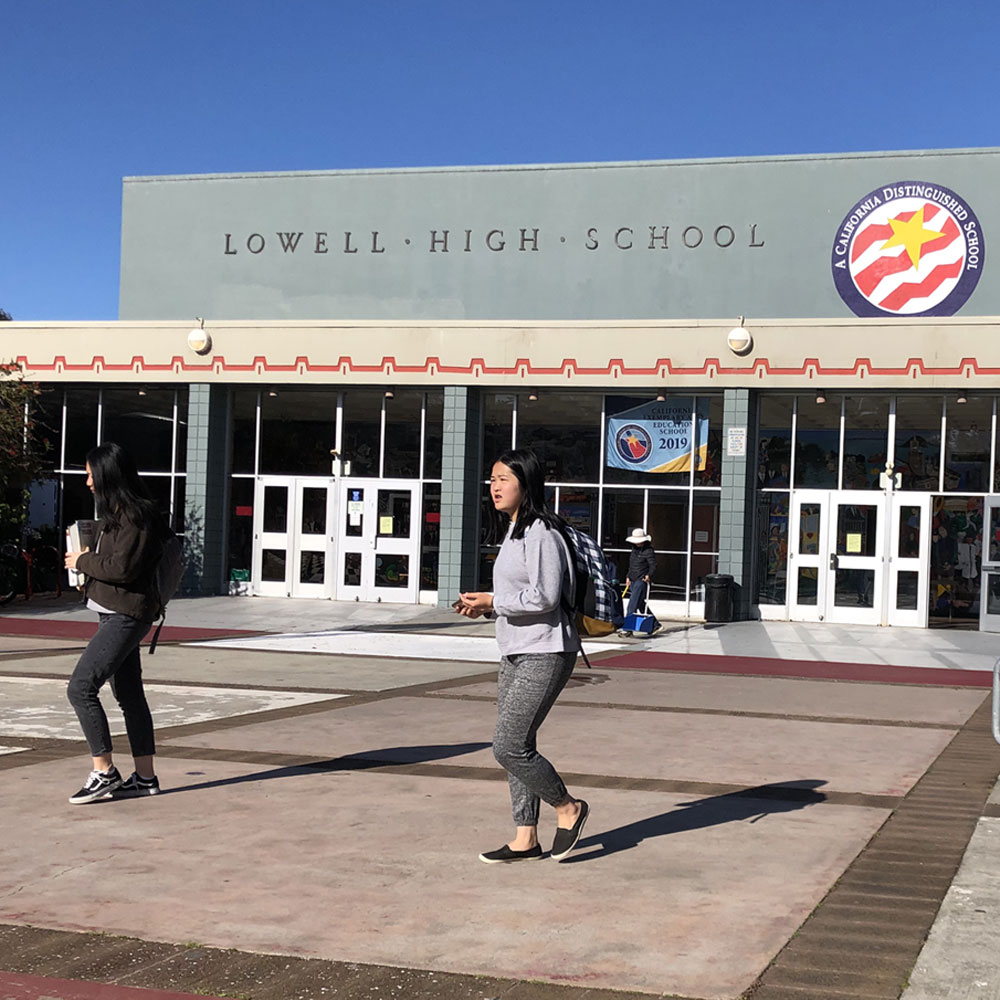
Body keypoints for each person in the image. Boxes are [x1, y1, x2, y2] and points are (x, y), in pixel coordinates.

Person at [455, 448, 589, 864]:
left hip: (546, 650)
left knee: (508, 745)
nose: (494, 487)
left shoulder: (541, 534)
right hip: (515, 649)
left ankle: (568, 808)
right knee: (520, 742)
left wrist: (495, 599)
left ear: (525, 485)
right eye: (492, 479)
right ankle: (525, 836)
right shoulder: (514, 532)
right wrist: (487, 606)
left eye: (503, 480)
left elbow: (545, 597)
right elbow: (520, 598)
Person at [63, 442, 169, 804]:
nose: (88, 482)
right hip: (115, 612)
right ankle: (145, 778)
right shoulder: (118, 514)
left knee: (80, 688)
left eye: (91, 475)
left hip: (125, 615)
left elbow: (121, 569)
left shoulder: (135, 517)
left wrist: (82, 561)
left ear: (108, 474)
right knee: (129, 695)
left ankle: (104, 770)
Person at [620, 527, 657, 636]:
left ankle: (628, 629)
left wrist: (648, 575)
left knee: (632, 606)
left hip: (641, 581)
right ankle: (655, 625)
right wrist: (628, 577)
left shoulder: (648, 551)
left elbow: (653, 565)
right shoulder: (634, 550)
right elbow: (632, 565)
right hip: (633, 580)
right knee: (640, 604)